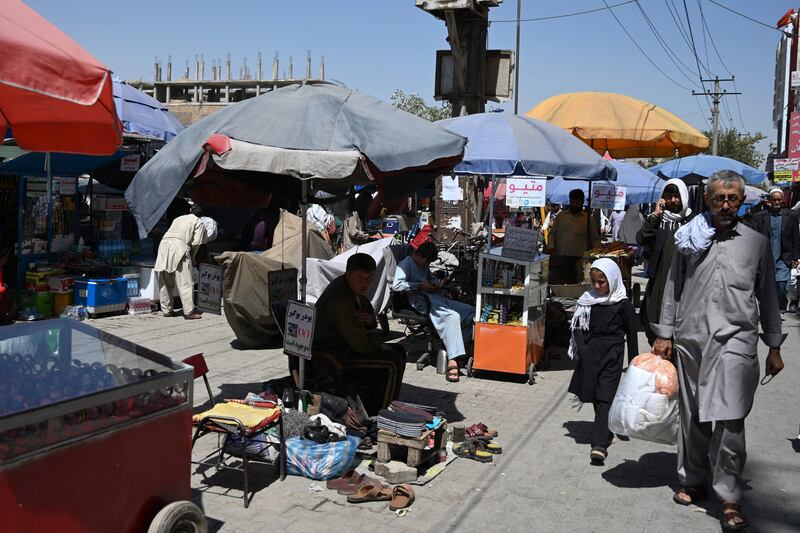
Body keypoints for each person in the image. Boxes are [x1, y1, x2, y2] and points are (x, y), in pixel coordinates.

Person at [651, 171, 785, 531]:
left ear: (742, 202)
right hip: (692, 340)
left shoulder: (755, 243)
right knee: (693, 418)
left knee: (730, 421)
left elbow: (769, 294)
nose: (726, 205)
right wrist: (664, 334)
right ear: (707, 201)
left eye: (733, 199)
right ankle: (693, 479)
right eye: (719, 199)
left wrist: (774, 345)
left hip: (737, 343)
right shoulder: (690, 238)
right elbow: (672, 287)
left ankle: (728, 493)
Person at [313, 253, 406, 415]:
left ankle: (383, 402)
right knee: (392, 360)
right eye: (361, 278)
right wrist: (380, 345)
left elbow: (370, 320)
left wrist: (369, 319)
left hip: (347, 347)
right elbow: (360, 344)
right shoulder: (340, 298)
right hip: (333, 356)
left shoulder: (354, 290)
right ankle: (381, 414)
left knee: (399, 351)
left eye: (369, 279)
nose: (366, 283)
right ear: (348, 274)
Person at [567, 258, 638, 465]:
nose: (597, 287)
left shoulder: (623, 304)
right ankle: (605, 432)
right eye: (594, 282)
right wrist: (583, 350)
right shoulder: (586, 300)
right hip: (590, 355)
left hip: (612, 354)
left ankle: (598, 445)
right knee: (595, 395)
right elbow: (577, 327)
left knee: (606, 396)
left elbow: (632, 334)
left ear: (613, 280)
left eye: (602, 282)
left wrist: (634, 363)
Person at [392, 242, 475, 383]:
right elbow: (396, 285)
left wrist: (436, 283)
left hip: (437, 299)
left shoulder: (423, 264)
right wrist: (418, 285)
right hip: (423, 303)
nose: (426, 265)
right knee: (452, 317)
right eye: (425, 261)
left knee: (471, 312)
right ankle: (453, 360)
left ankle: (459, 350)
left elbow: (430, 277)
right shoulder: (406, 264)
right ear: (418, 254)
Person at [636, 179, 694, 344]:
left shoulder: (692, 220)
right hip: (660, 280)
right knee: (654, 318)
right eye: (669, 196)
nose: (673, 201)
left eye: (677, 196)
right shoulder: (658, 220)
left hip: (684, 281)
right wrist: (655, 215)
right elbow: (641, 238)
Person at [749, 188, 800, 313]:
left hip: (784, 258)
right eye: (774, 199)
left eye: (779, 199)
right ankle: (770, 309)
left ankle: (780, 308)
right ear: (770, 201)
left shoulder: (791, 216)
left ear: (782, 200)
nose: (776, 202)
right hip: (765, 258)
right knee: (765, 286)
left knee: (781, 285)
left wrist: (795, 257)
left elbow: (796, 238)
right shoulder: (759, 217)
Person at [153, 204, 207, 319]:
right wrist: (193, 256)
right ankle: (189, 311)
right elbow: (197, 242)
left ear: (190, 210)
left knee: (165, 280)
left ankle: (167, 310)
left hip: (164, 245)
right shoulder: (199, 222)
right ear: (201, 215)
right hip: (179, 247)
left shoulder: (178, 218)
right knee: (185, 281)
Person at [547, 189, 601, 284]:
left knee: (577, 284)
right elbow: (552, 234)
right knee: (560, 284)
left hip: (579, 259)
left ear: (582, 202)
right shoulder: (561, 216)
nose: (575, 205)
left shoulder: (588, 218)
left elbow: (595, 238)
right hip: (561, 257)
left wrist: (599, 251)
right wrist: (551, 245)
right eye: (573, 202)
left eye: (577, 202)